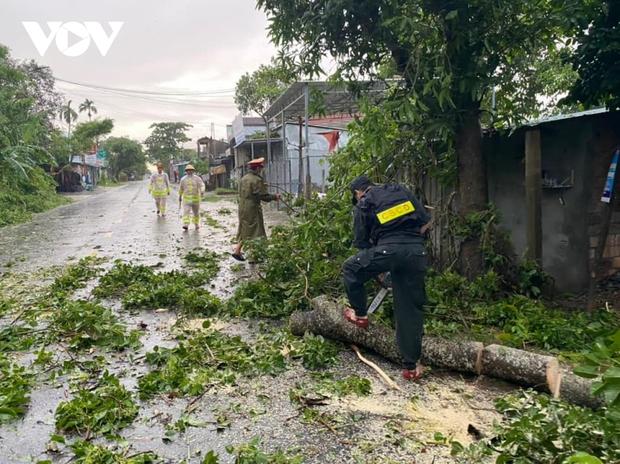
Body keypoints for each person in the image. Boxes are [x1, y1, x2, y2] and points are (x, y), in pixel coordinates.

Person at [342, 175, 431, 381]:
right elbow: (425, 223)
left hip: (386, 252)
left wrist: (382, 261)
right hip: (417, 253)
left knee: (351, 269)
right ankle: (412, 367)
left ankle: (360, 315)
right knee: (409, 308)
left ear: (358, 193)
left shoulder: (364, 203)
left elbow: (362, 243)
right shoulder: (401, 191)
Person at [232, 157, 280, 261]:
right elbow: (262, 196)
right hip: (252, 207)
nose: (261, 170)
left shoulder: (244, 178)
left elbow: (248, 190)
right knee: (256, 231)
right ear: (257, 168)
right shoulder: (257, 180)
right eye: (261, 168)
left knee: (245, 229)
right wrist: (274, 197)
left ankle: (237, 251)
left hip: (242, 205)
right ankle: (253, 257)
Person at [178, 164, 205, 231]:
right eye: (188, 170)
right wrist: (180, 196)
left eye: (191, 170)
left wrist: (202, 191)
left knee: (196, 213)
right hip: (186, 200)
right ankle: (186, 224)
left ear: (193, 171)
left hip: (195, 200)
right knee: (186, 212)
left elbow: (202, 185)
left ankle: (196, 224)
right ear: (186, 171)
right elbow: (181, 189)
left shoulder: (197, 178)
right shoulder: (183, 179)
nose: (189, 171)